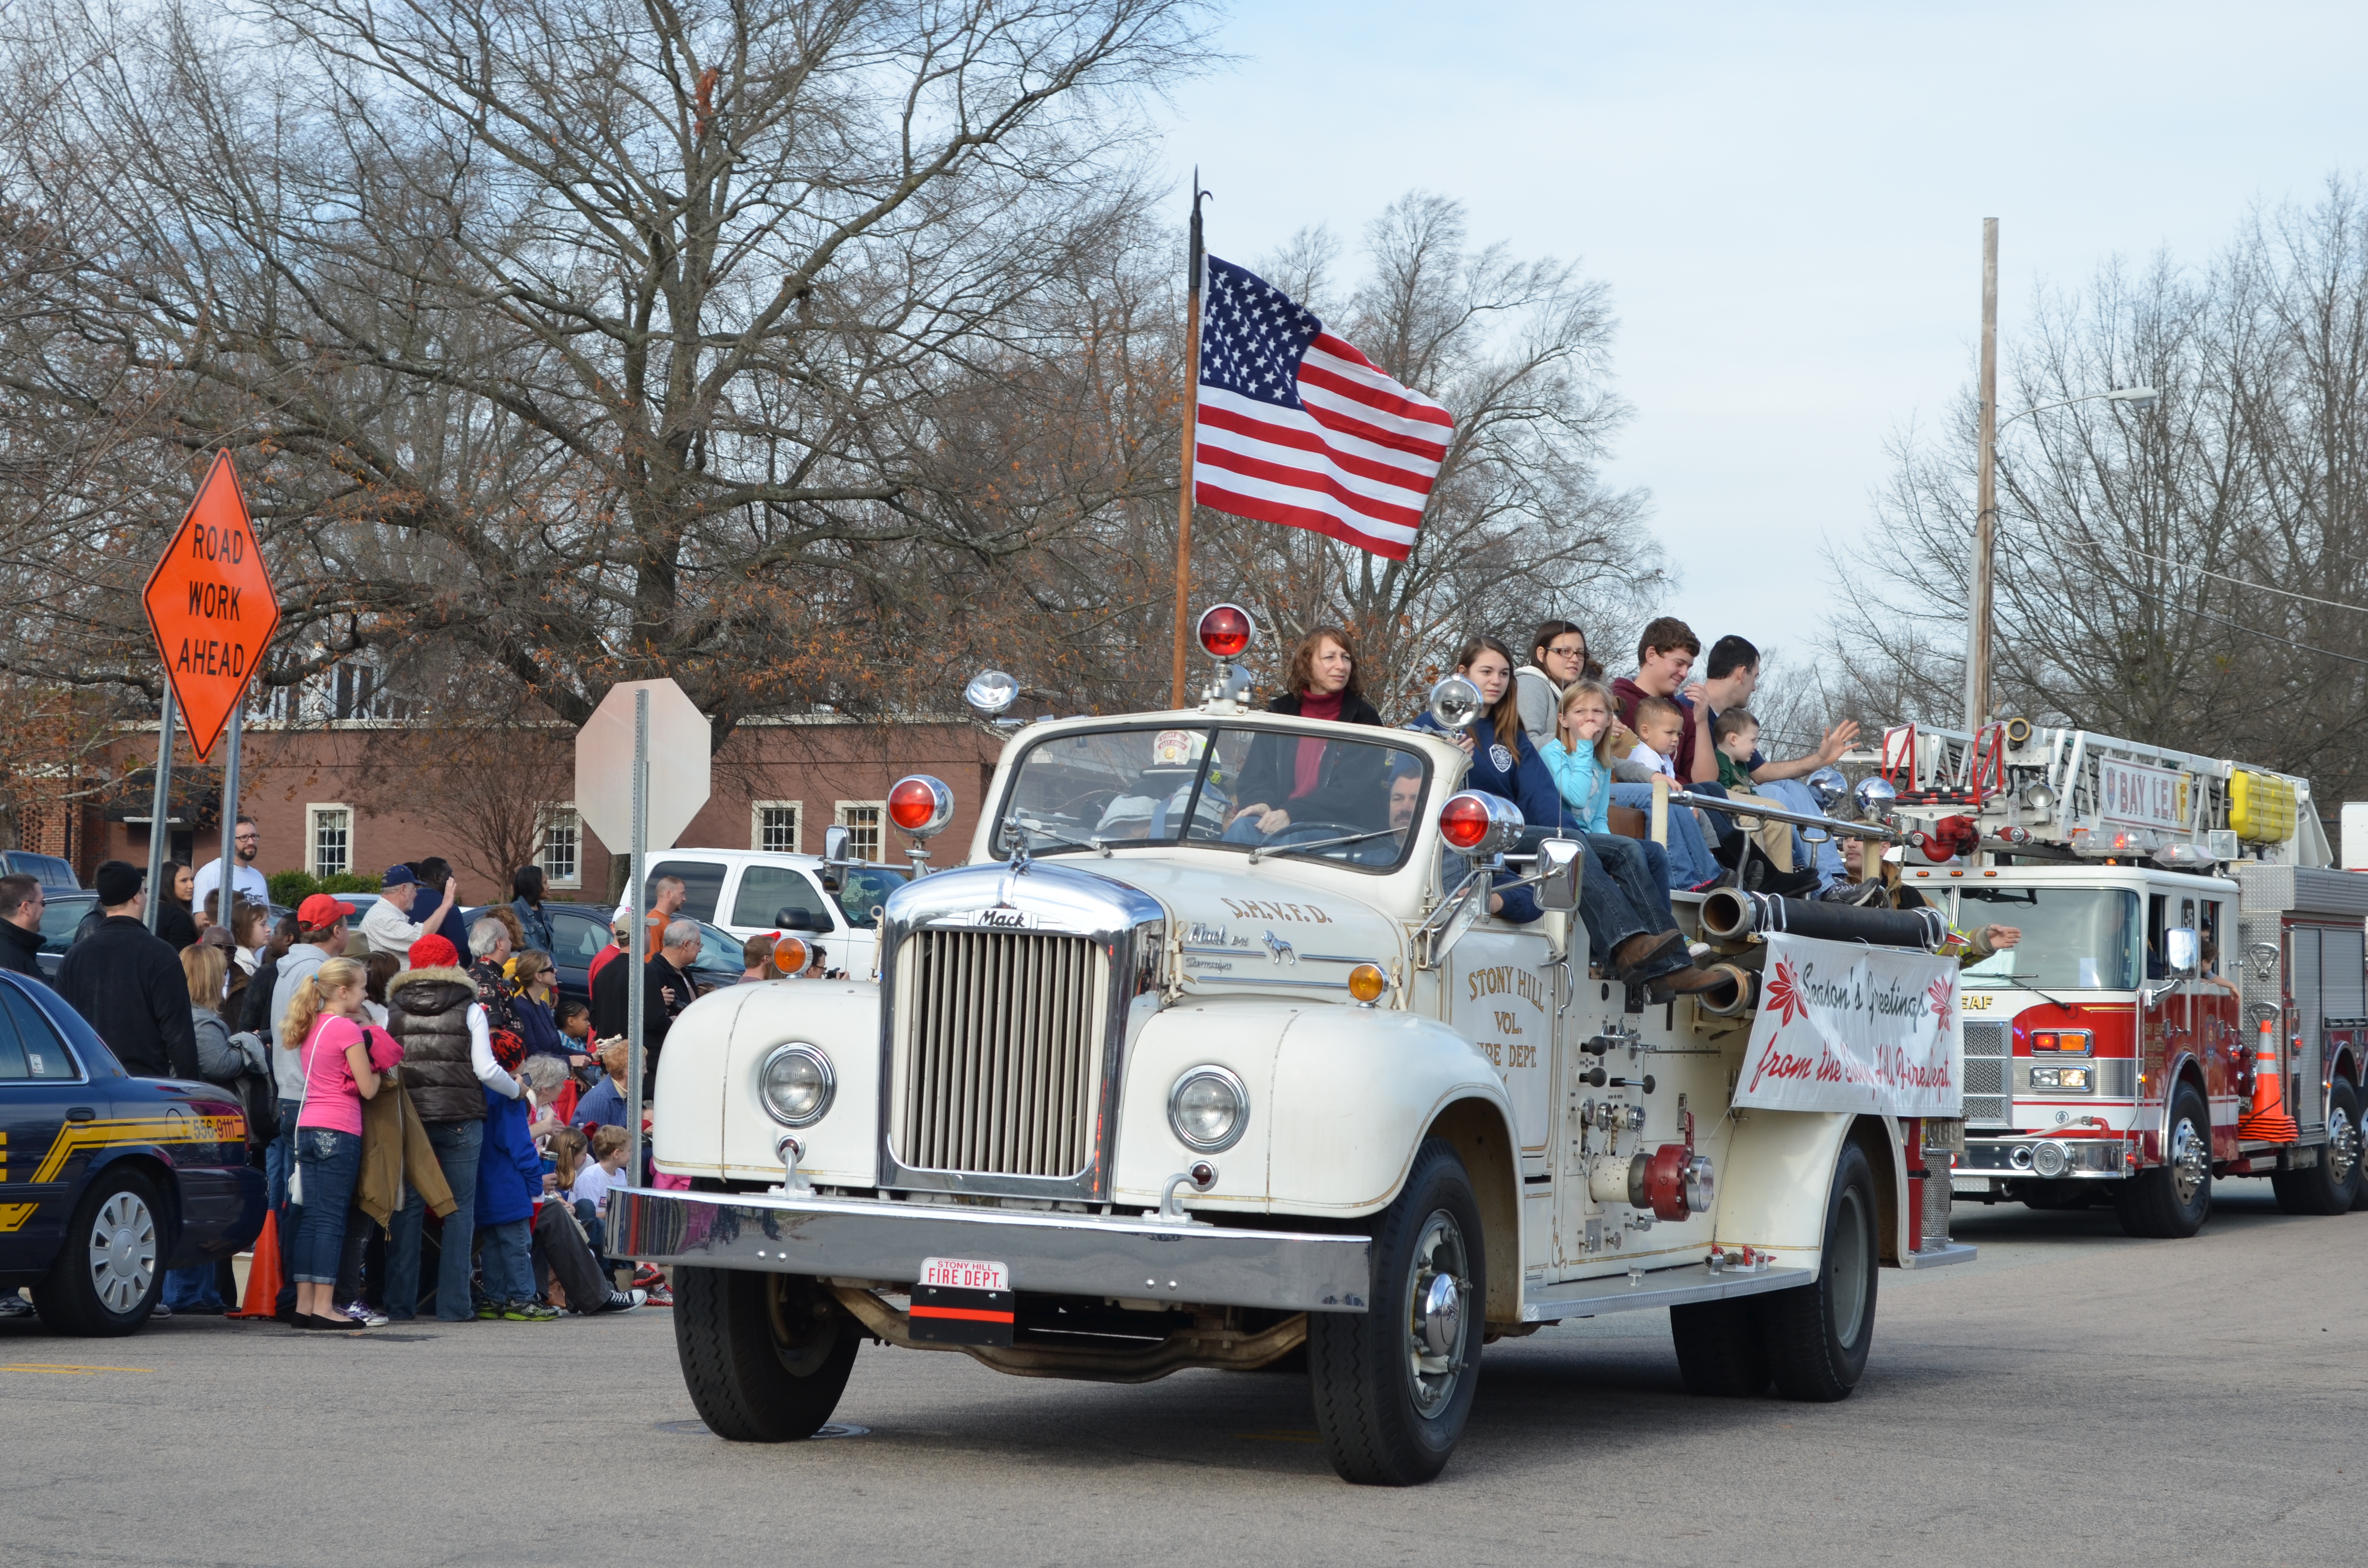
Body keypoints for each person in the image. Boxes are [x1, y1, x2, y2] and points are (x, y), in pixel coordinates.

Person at [1411, 642, 1721, 998]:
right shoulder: (1434, 725)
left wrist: (1575, 835)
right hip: (1477, 836)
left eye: (1504, 673)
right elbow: (1414, 792)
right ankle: (1625, 946)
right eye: (1486, 672)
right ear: (1462, 675)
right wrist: (1445, 754)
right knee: (1573, 846)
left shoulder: (1509, 734)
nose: (1496, 681)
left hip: (1518, 830)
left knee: (1643, 851)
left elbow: (1540, 797)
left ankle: (1673, 968)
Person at [382, 933, 521, 1324]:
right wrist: (518, 1092)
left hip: (409, 1119)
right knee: (459, 1211)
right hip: (460, 1117)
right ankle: (455, 1305)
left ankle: (399, 1304)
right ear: (452, 966)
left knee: (407, 1208)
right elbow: (486, 1070)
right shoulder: (470, 1008)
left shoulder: (390, 1010)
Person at [282, 955, 383, 1331]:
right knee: (331, 1219)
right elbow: (370, 1089)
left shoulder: (312, 1025)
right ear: (344, 991)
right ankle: (325, 1305)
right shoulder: (346, 1030)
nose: (366, 993)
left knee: (310, 1218)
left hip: (307, 1125)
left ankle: (305, 1303)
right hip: (339, 1128)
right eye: (361, 987)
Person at [1223, 626, 1387, 843]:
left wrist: (1292, 813)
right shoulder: (1280, 713)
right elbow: (1256, 775)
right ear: (1307, 664)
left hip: (1337, 829)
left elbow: (1354, 791)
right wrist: (1261, 803)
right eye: (1330, 657)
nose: (1341, 666)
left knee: (1284, 845)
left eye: (1346, 658)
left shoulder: (1364, 719)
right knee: (1241, 829)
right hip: (1279, 817)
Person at [161, 943, 254, 1315]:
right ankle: (187, 1293)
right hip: (197, 1125)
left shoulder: (181, 1015)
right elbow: (218, 1064)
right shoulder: (200, 1020)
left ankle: (200, 1292)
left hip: (185, 1121)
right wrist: (249, 1046)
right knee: (198, 1208)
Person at [54, 860, 200, 1079]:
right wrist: (192, 1091)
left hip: (89, 1085)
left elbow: (59, 1026)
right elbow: (179, 1036)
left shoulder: (74, 957)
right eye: (144, 890)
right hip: (144, 1089)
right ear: (136, 897)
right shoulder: (160, 955)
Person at [268, 894, 357, 1223]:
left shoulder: (290, 967)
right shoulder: (319, 972)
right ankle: (297, 1274)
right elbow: (327, 1037)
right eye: (346, 923)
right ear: (336, 932)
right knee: (312, 1212)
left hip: (293, 1094)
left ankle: (291, 1272)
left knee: (298, 1201)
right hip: (313, 1099)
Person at [474, 1023, 557, 1321]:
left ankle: (493, 1297)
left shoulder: (478, 1090)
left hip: (484, 1181)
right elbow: (519, 1144)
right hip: (509, 1185)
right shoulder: (510, 1097)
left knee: (494, 1244)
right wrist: (535, 1178)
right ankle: (522, 1298)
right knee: (518, 1243)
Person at [1612, 617, 1720, 787]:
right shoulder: (1614, 702)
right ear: (1652, 656)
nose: (1684, 673)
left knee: (1712, 790)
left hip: (1683, 797)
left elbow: (1706, 781)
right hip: (1640, 797)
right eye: (1679, 663)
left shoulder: (1684, 714)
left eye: (1689, 667)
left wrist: (1701, 722)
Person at [591, 917, 694, 1050]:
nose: (650, 937)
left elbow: (595, 1019)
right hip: (640, 1060)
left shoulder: (604, 972)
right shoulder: (644, 972)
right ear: (639, 935)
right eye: (648, 932)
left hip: (611, 1058)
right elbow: (654, 1021)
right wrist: (674, 1020)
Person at [1513, 619, 1599, 750]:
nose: (1575, 659)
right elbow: (1526, 745)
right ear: (1542, 654)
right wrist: (1578, 734)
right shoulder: (1530, 684)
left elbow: (1598, 758)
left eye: (1580, 654)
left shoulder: (1572, 693)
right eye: (1565, 651)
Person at [360, 864, 460, 958]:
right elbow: (420, 939)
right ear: (404, 889)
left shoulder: (384, 913)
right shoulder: (382, 917)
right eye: (414, 889)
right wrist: (446, 905)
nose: (416, 895)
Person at [193, 815, 269, 920]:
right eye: (244, 837)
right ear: (229, 840)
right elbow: (202, 919)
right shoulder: (211, 872)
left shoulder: (258, 877)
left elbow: (266, 918)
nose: (251, 842)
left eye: (254, 836)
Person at [512, 951, 568, 1061]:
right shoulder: (521, 1008)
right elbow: (532, 1054)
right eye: (551, 968)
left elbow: (558, 1048)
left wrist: (590, 1056)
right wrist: (570, 1060)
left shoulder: (543, 1004)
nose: (556, 971)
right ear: (538, 977)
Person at [468, 917, 519, 1034]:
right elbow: (491, 1033)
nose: (511, 943)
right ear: (499, 943)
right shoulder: (484, 977)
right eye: (508, 939)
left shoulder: (484, 972)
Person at [572, 1039, 629, 1131]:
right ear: (627, 1073)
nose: (646, 1071)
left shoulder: (625, 1093)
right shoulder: (600, 1098)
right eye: (644, 1067)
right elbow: (594, 1143)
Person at [0, 873, 47, 982]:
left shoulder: (16, 949)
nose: (44, 909)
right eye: (43, 903)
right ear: (26, 908)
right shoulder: (13, 962)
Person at [510, 867, 555, 957]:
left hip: (546, 968)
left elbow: (548, 949)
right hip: (528, 970)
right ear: (534, 885)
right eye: (545, 882)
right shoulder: (514, 912)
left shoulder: (542, 912)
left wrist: (552, 967)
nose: (549, 886)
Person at [156, 861, 199, 951]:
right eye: (184, 881)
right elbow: (183, 955)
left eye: (192, 879)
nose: (191, 886)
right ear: (168, 883)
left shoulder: (152, 909)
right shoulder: (177, 915)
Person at [555, 998, 594, 1068]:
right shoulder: (561, 1039)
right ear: (571, 1022)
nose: (589, 1024)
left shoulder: (578, 1040)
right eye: (586, 1019)